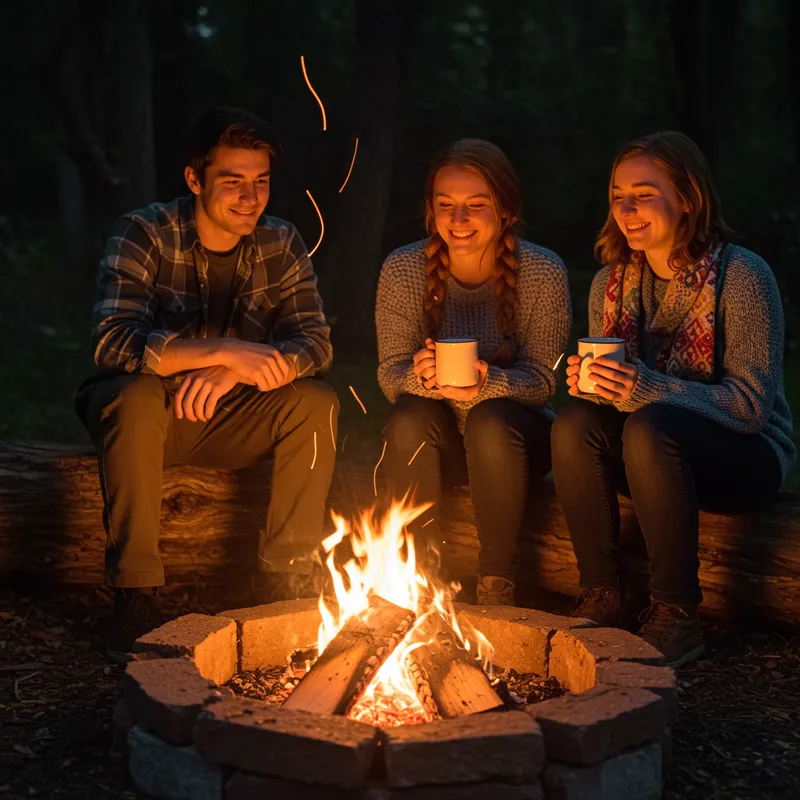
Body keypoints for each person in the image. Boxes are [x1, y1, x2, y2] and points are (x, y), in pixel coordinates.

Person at [75, 106, 338, 661]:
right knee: (138, 393)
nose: (251, 197)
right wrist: (221, 349)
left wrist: (231, 369)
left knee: (314, 402)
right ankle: (137, 593)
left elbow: (315, 344)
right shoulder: (144, 231)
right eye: (233, 181)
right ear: (195, 180)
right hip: (147, 419)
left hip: (229, 416)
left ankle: (283, 582)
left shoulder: (280, 242)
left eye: (261, 181)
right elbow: (111, 344)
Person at [551, 131, 795, 667]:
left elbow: (751, 407)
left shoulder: (742, 276)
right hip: (651, 450)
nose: (627, 209)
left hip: (744, 455)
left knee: (651, 426)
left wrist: (646, 390)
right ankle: (601, 595)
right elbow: (621, 401)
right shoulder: (610, 284)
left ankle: (677, 614)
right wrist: (595, 387)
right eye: (618, 195)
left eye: (645, 193)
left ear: (688, 198)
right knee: (573, 422)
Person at [376, 139, 571, 606]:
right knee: (406, 417)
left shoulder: (542, 271)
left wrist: (489, 384)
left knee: (489, 419)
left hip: (515, 439)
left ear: (505, 210)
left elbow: (545, 380)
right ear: (431, 210)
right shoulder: (404, 270)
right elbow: (389, 374)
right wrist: (419, 376)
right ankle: (415, 579)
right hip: (439, 440)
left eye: (475, 206)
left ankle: (497, 581)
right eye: (446, 205)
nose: (458, 220)